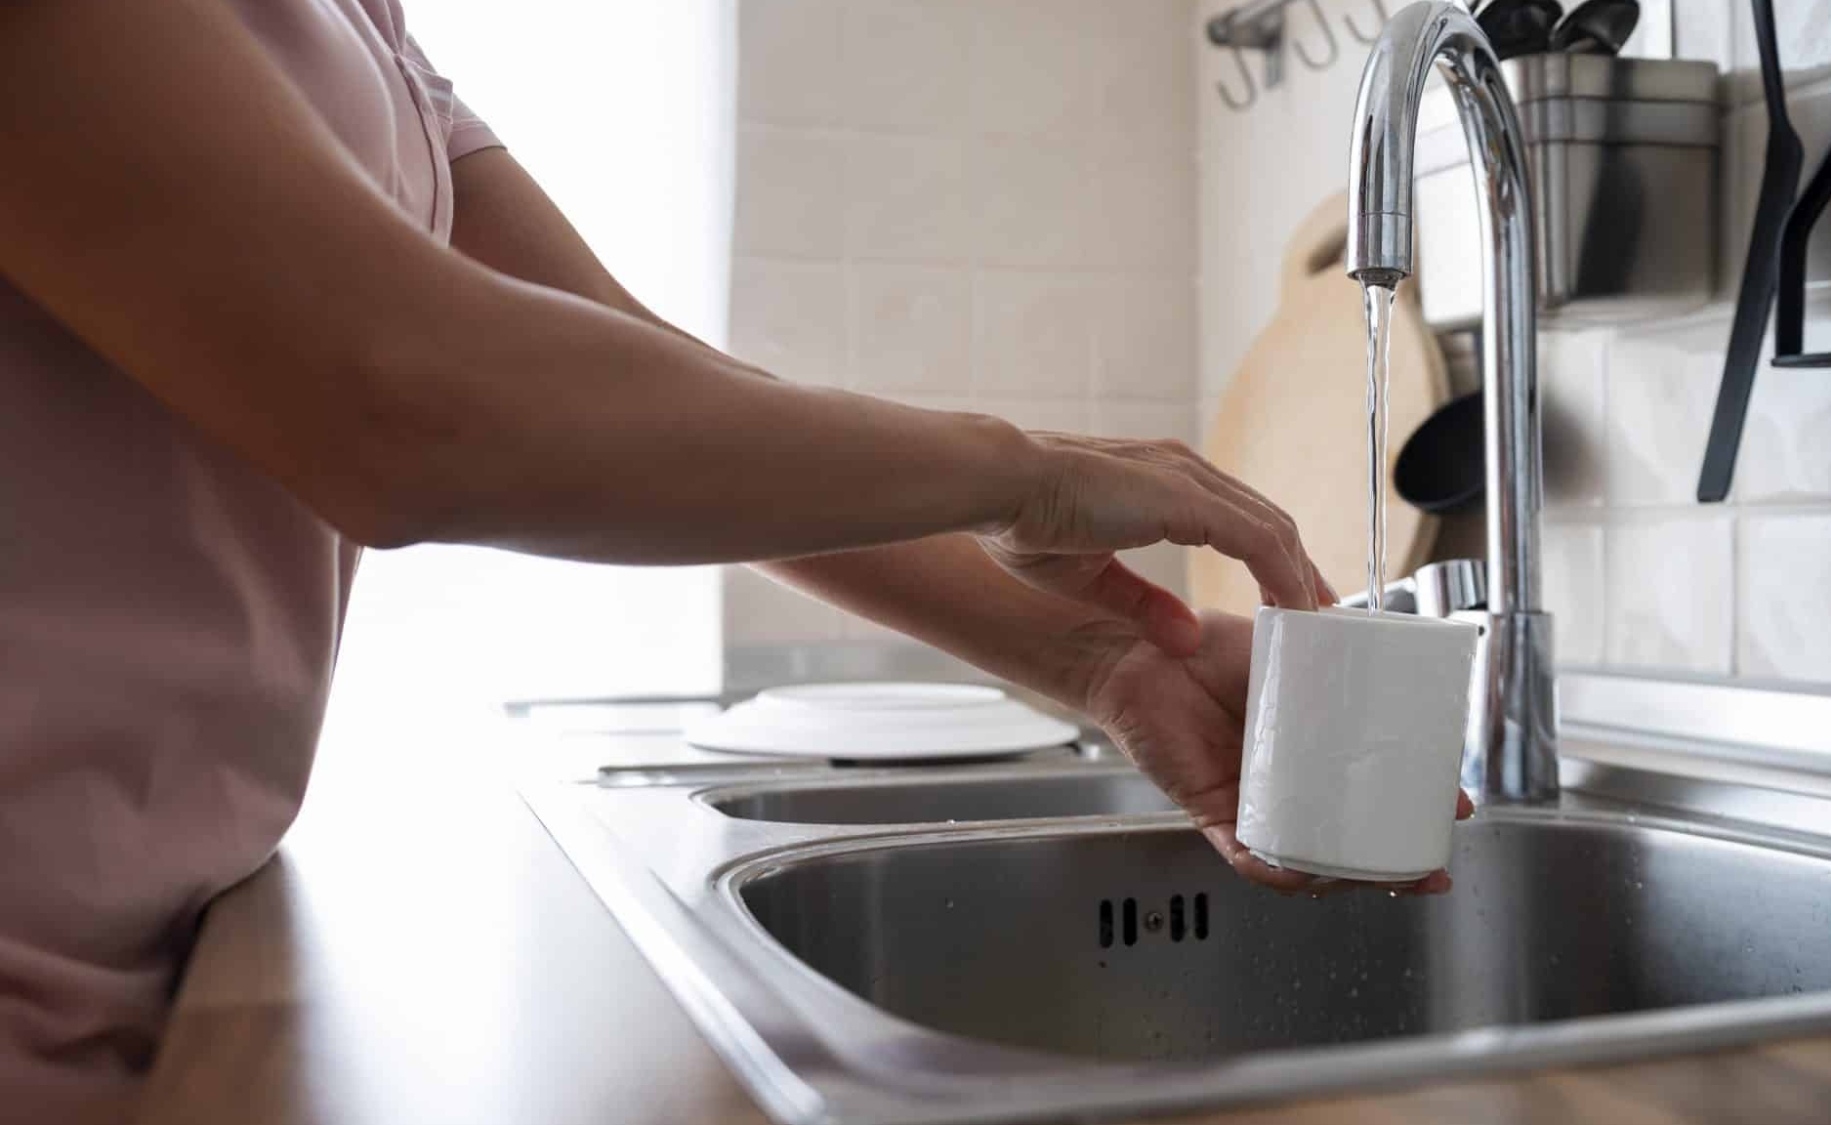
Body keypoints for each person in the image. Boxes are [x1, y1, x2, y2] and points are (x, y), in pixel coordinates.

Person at [0, 0, 1466, 1118]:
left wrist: (1100, 656)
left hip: (128, 967)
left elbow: (648, 387)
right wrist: (1027, 470)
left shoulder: (365, 23)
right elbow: (406, 395)